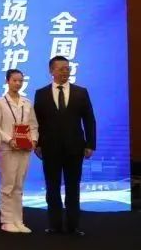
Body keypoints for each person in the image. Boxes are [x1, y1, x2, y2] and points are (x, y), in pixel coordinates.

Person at [33, 55, 96, 236]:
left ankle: (73, 225)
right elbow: (37, 122)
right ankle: (54, 225)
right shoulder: (41, 93)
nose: (65, 72)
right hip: (50, 148)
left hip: (75, 148)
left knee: (73, 187)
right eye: (61, 69)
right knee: (52, 188)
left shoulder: (81, 92)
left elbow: (89, 119)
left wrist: (90, 144)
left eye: (67, 68)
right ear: (51, 71)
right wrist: (37, 144)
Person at [0, 69, 39, 233]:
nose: (18, 83)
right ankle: (6, 221)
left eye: (20, 81)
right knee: (8, 185)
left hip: (24, 149)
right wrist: (9, 140)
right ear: (7, 81)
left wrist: (33, 140)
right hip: (8, 149)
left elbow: (33, 125)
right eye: (15, 80)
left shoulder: (27, 103)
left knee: (19, 185)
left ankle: (18, 220)